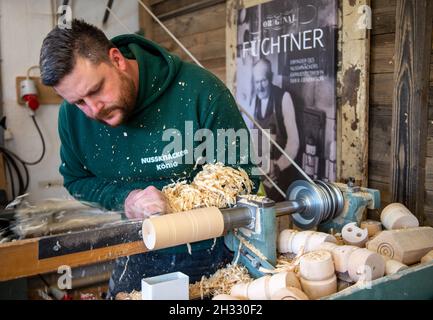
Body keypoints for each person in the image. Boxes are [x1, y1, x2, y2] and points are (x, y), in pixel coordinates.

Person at [39, 19, 258, 299]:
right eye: (79, 102)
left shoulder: (201, 91)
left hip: (209, 248)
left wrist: (177, 200)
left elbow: (242, 177)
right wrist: (126, 199)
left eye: (96, 91)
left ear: (116, 59)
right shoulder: (71, 117)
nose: (93, 110)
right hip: (136, 245)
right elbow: (77, 180)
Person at [248, 58, 300, 201]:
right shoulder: (255, 101)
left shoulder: (284, 98)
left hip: (280, 174)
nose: (260, 87)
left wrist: (278, 166)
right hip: (261, 172)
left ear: (270, 78)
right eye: (257, 82)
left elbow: (294, 142)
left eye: (263, 81)